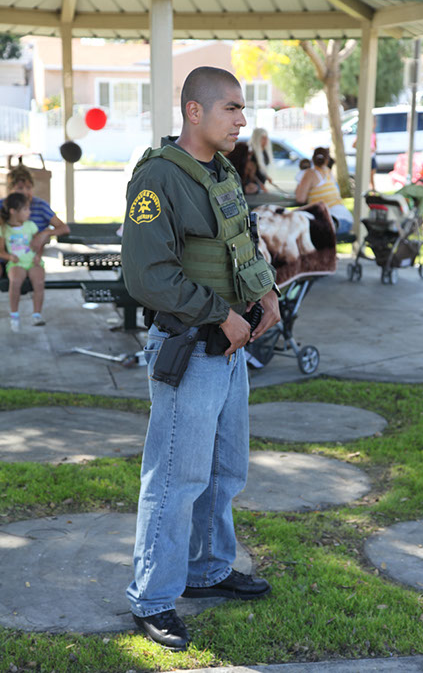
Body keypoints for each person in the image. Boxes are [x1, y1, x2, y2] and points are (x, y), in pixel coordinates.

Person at [121, 66, 281, 652]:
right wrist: (219, 313)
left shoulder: (221, 172)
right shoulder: (159, 179)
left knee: (224, 471)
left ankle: (209, 569)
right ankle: (154, 597)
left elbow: (243, 241)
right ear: (195, 111)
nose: (243, 120)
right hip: (191, 347)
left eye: (243, 109)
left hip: (229, 349)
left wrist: (265, 292)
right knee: (175, 479)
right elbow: (147, 275)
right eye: (232, 109)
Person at [0, 192, 46, 331]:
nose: (29, 212)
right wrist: (10, 257)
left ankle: (36, 314)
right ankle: (14, 315)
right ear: (14, 211)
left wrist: (39, 254)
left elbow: (39, 243)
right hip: (16, 263)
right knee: (15, 282)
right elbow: (1, 251)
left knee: (39, 282)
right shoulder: (4, 229)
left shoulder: (30, 225)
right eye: (26, 209)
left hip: (33, 262)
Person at [1, 165, 70, 254]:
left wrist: (44, 234)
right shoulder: (3, 204)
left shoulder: (40, 206)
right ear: (10, 189)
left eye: (28, 187)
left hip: (33, 256)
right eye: (20, 188)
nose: (25, 192)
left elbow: (64, 228)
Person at [295, 147, 353, 234]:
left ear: (312, 159)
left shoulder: (310, 173)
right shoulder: (329, 172)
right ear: (327, 160)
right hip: (346, 220)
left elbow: (300, 198)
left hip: (331, 221)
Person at [352, 117, 377, 191]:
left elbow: (375, 146)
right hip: (365, 158)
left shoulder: (373, 134)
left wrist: (372, 150)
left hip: (372, 157)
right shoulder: (361, 134)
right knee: (364, 176)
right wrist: (364, 149)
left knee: (372, 176)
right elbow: (354, 145)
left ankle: (373, 191)